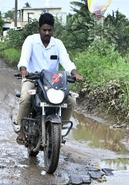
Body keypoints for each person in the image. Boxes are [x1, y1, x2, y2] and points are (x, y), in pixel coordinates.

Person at [15, 12, 83, 144]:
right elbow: (24, 58)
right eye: (44, 30)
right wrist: (23, 69)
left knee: (70, 101)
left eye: (49, 30)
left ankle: (59, 130)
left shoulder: (58, 44)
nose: (47, 33)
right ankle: (21, 130)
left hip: (52, 82)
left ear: (53, 30)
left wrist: (74, 73)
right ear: (39, 29)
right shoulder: (31, 40)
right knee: (25, 97)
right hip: (32, 79)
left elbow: (67, 62)